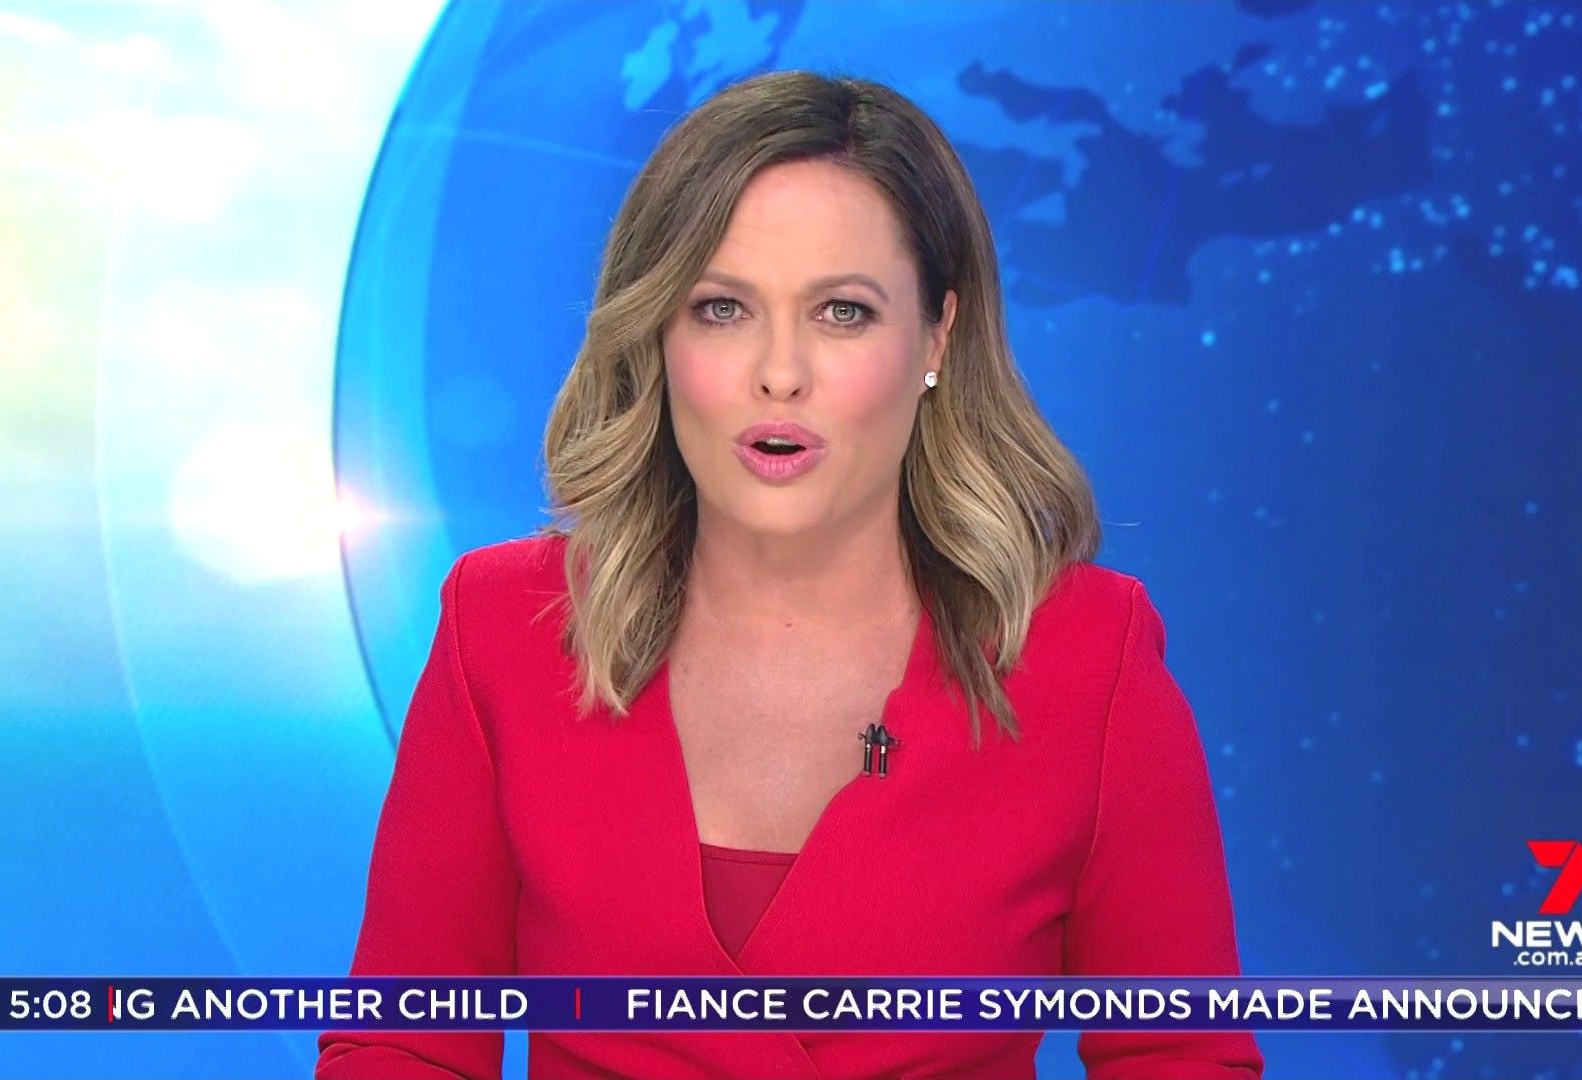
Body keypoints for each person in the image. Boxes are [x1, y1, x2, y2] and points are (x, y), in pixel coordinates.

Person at [316, 68, 1262, 1079]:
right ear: (658, 332)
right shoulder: (504, 626)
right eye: (722, 308)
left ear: (937, 337)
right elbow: (402, 1044)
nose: (780, 372)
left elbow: (1180, 1054)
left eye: (842, 312)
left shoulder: (1087, 654)